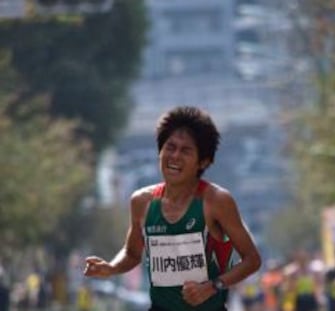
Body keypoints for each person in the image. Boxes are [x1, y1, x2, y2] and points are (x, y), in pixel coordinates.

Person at [83, 106, 261, 311]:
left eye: (186, 151)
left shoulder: (216, 201)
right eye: (170, 147)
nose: (175, 156)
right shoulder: (142, 202)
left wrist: (212, 287)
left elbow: (252, 260)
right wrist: (111, 267)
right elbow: (132, 254)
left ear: (202, 161)